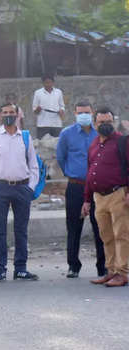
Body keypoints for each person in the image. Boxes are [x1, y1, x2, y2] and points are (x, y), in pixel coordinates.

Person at [0, 103, 40, 282]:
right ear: (0, 115)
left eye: (11, 112)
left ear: (18, 115)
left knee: (21, 230)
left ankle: (20, 269)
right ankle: (0, 269)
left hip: (22, 188)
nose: (8, 115)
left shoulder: (25, 137)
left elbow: (34, 166)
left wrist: (30, 188)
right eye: (5, 112)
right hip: (0, 187)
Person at [56, 100, 106, 279]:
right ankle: (73, 266)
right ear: (75, 114)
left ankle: (103, 266)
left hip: (98, 188)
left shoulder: (100, 133)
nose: (83, 115)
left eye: (86, 112)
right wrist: (72, 174)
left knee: (101, 226)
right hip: (76, 186)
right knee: (74, 227)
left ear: (92, 113)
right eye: (80, 113)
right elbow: (61, 158)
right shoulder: (66, 134)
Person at [81, 107, 129, 287]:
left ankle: (122, 273)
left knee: (121, 235)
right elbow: (89, 172)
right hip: (99, 198)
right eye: (101, 122)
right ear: (95, 124)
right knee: (106, 236)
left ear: (114, 122)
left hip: (118, 195)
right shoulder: (93, 144)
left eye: (108, 121)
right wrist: (86, 200)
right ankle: (110, 270)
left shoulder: (123, 142)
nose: (105, 125)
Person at [32, 74, 65, 139]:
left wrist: (61, 111)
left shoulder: (58, 92)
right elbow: (34, 110)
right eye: (46, 83)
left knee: (57, 144)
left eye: (50, 82)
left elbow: (62, 106)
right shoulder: (38, 93)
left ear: (53, 82)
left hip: (56, 124)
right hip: (42, 124)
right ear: (43, 83)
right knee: (41, 144)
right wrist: (38, 109)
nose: (48, 84)